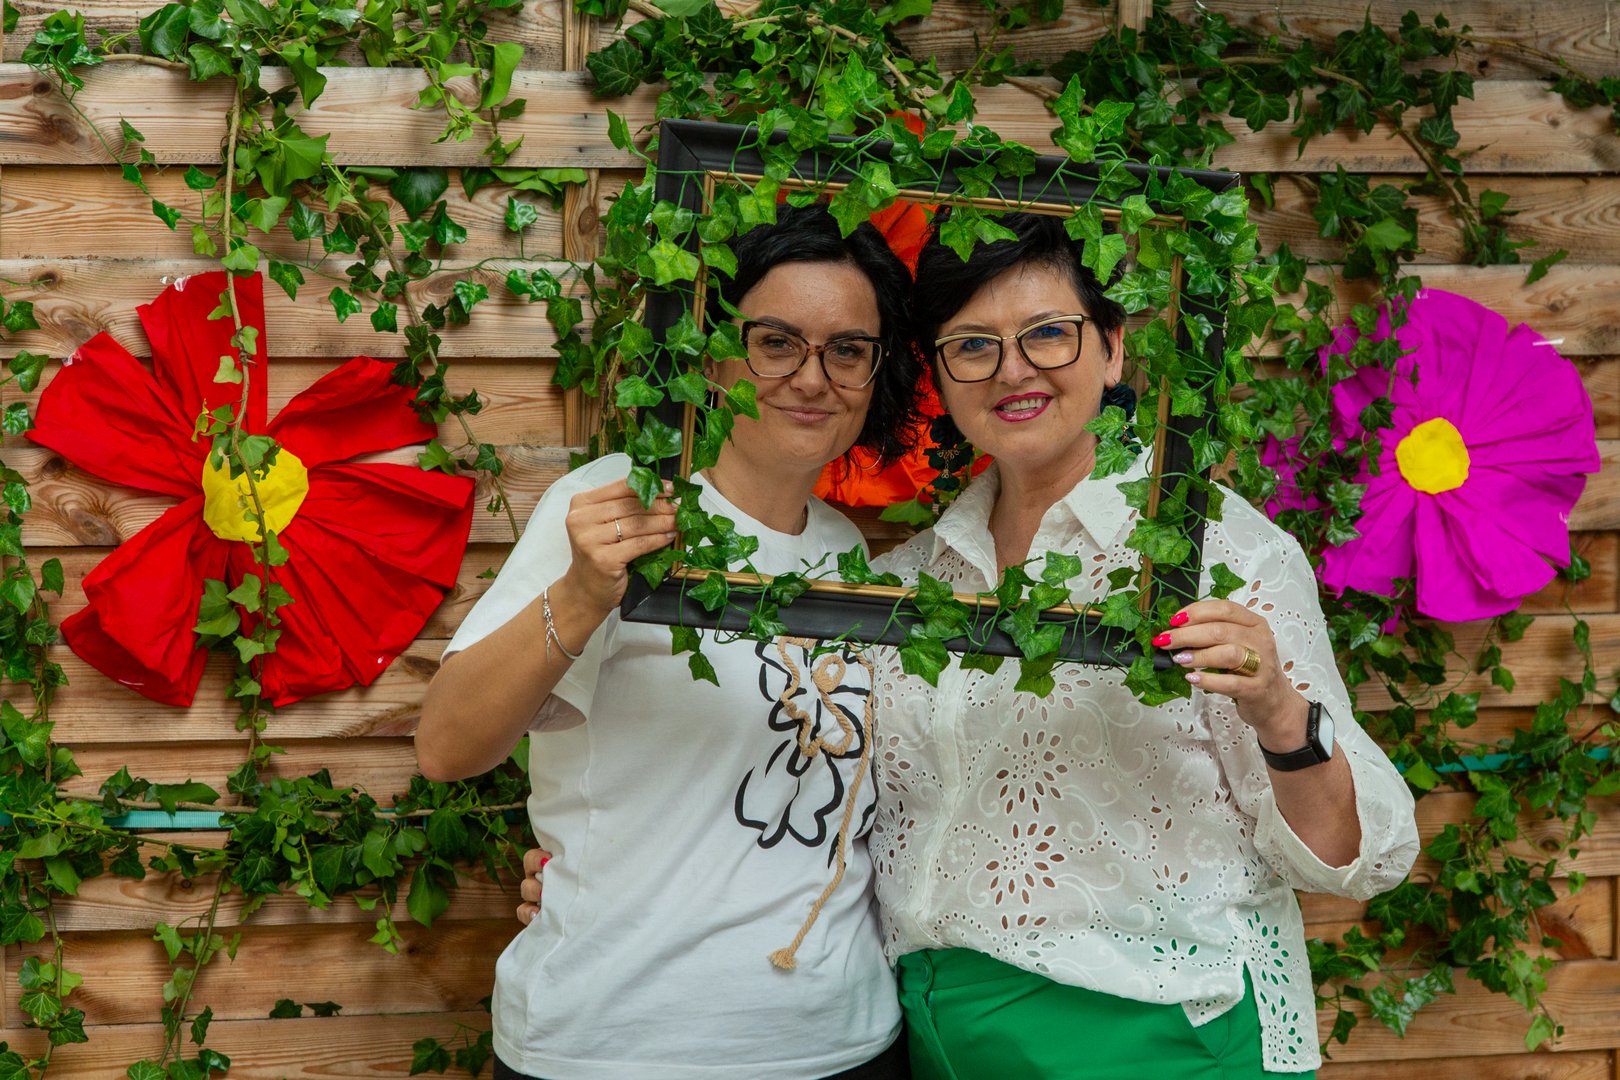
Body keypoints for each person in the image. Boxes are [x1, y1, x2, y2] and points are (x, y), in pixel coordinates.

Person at [865, 210, 1420, 1078]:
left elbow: (1354, 857)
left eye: (1048, 333)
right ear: (938, 372)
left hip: (1162, 1035)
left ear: (1114, 348)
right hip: (938, 1035)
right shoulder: (904, 582)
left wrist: (1279, 709)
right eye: (973, 345)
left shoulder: (1220, 554)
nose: (1012, 370)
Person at [416, 203, 921, 1080]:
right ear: (714, 354)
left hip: (844, 1042)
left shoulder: (848, 552)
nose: (813, 377)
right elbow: (446, 746)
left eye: (848, 350)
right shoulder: (622, 503)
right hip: (624, 1042)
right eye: (776, 342)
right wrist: (582, 594)